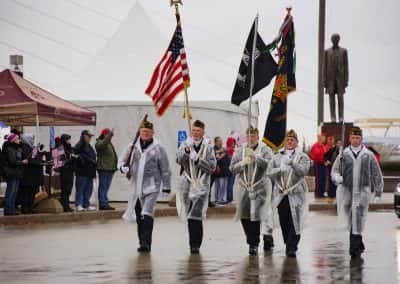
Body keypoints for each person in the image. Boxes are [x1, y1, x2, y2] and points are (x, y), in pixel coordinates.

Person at [119, 119, 171, 253]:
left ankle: (146, 243)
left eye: (148, 132)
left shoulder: (159, 148)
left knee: (147, 213)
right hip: (136, 187)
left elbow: (165, 168)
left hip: (152, 186)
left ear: (153, 132)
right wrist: (122, 168)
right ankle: (141, 240)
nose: (145, 134)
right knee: (138, 215)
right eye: (143, 131)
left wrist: (166, 186)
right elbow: (122, 160)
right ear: (140, 132)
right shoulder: (132, 146)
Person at [331, 126, 383, 258]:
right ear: (349, 138)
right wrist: (337, 177)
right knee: (351, 220)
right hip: (347, 191)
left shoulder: (368, 155)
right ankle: (358, 243)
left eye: (358, 138)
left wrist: (378, 192)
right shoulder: (343, 154)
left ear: (361, 139)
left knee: (358, 218)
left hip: (362, 191)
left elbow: (377, 174)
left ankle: (354, 249)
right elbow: (335, 170)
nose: (355, 140)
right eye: (353, 137)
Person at [230, 127, 273, 255]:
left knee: (256, 216)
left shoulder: (265, 149)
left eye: (253, 135)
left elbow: (269, 166)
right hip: (244, 187)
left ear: (257, 137)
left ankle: (254, 243)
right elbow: (232, 168)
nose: (250, 138)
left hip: (260, 187)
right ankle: (251, 238)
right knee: (244, 216)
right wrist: (242, 163)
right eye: (248, 135)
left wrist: (256, 158)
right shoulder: (239, 151)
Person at [267, 130, 310, 257]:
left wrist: (293, 164)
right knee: (284, 220)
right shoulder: (277, 156)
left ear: (296, 142)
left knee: (295, 221)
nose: (289, 142)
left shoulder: (303, 156)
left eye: (292, 140)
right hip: (281, 193)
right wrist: (279, 169)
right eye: (287, 140)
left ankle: (292, 247)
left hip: (296, 194)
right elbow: (269, 172)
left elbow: (303, 171)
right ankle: (288, 242)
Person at [176, 120, 216, 254]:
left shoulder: (208, 147)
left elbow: (212, 167)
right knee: (189, 214)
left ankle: (195, 244)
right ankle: (193, 241)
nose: (195, 133)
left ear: (203, 132)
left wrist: (198, 160)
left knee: (196, 214)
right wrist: (186, 152)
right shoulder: (185, 144)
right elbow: (178, 160)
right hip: (187, 183)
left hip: (202, 185)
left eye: (198, 131)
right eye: (193, 131)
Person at [19, 134, 44, 214]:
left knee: (32, 192)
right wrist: (39, 163)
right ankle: (25, 208)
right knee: (27, 192)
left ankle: (30, 207)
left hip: (33, 175)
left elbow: (35, 157)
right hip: (28, 174)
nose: (33, 140)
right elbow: (29, 160)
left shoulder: (31, 147)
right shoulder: (24, 148)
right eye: (32, 139)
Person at [3, 134, 27, 215]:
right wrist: (22, 162)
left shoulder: (17, 149)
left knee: (14, 192)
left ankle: (12, 209)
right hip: (12, 173)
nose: (19, 140)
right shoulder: (10, 149)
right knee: (11, 192)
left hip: (17, 173)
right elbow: (12, 162)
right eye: (17, 139)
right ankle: (8, 210)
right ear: (13, 140)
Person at [95, 128, 118, 211]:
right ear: (104, 134)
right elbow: (102, 144)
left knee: (106, 187)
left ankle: (105, 202)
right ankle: (103, 204)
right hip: (104, 168)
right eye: (107, 134)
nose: (109, 136)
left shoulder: (108, 143)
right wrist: (110, 135)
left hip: (110, 168)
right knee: (103, 187)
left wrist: (115, 166)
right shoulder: (99, 142)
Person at [74, 130, 97, 211]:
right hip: (82, 171)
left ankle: (86, 204)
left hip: (89, 172)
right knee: (80, 188)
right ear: (84, 136)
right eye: (88, 136)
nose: (90, 138)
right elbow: (76, 153)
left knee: (88, 189)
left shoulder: (89, 145)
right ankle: (79, 204)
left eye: (90, 136)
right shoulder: (80, 144)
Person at [53, 134, 76, 212]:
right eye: (68, 139)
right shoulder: (59, 149)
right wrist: (69, 160)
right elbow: (57, 163)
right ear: (64, 140)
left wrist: (76, 158)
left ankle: (66, 204)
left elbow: (72, 156)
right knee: (65, 189)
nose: (70, 141)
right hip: (64, 171)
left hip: (70, 171)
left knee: (69, 189)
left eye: (70, 139)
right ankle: (65, 206)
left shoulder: (70, 148)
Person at [213, 136, 230, 205]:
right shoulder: (214, 149)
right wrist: (221, 154)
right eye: (219, 141)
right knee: (219, 185)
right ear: (216, 142)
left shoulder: (223, 149)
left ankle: (222, 198)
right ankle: (217, 199)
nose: (221, 142)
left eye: (221, 141)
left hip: (225, 170)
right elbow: (215, 158)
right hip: (219, 170)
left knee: (224, 186)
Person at [310, 133, 328, 198]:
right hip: (318, 165)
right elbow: (315, 155)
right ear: (320, 138)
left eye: (325, 138)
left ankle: (322, 193)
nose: (324, 139)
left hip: (324, 165)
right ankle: (318, 194)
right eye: (323, 137)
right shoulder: (316, 146)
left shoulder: (323, 146)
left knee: (323, 179)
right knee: (319, 179)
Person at [225, 137, 236, 204]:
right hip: (230, 170)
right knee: (230, 184)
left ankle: (230, 198)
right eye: (232, 143)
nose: (233, 144)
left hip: (231, 169)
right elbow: (231, 160)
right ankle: (229, 199)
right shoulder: (229, 150)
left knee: (230, 184)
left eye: (234, 143)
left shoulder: (231, 150)